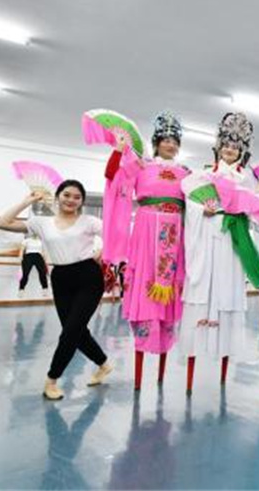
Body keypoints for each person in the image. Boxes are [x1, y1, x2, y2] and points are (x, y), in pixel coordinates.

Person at [0, 181, 112, 400]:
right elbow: (2, 223)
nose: (71, 200)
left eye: (77, 197)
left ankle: (52, 379)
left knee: (70, 332)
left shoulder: (90, 221)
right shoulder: (41, 222)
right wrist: (27, 201)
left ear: (82, 201)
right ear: (58, 196)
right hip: (60, 278)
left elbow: (117, 235)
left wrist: (103, 251)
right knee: (75, 330)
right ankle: (104, 364)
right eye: (66, 195)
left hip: (88, 276)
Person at [179, 112, 259, 388]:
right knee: (202, 284)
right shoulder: (202, 175)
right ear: (219, 148)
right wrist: (202, 209)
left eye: (235, 147)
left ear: (241, 152)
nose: (230, 150)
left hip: (233, 237)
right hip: (207, 233)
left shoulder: (249, 180)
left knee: (229, 287)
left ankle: (224, 366)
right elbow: (190, 201)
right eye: (226, 145)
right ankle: (193, 359)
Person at [102, 111, 190, 386]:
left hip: (175, 232)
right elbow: (112, 177)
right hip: (146, 230)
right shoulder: (141, 165)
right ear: (156, 141)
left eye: (175, 140)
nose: (171, 145)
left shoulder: (187, 174)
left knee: (169, 283)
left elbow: (199, 204)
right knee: (144, 282)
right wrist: (118, 151)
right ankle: (142, 347)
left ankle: (164, 345)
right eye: (165, 139)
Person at [18, 231, 49, 297]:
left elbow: (43, 252)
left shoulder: (41, 241)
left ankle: (45, 289)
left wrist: (46, 261)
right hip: (28, 256)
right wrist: (20, 258)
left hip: (38, 256)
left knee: (42, 273)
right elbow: (22, 250)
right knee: (25, 274)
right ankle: (21, 289)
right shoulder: (26, 240)